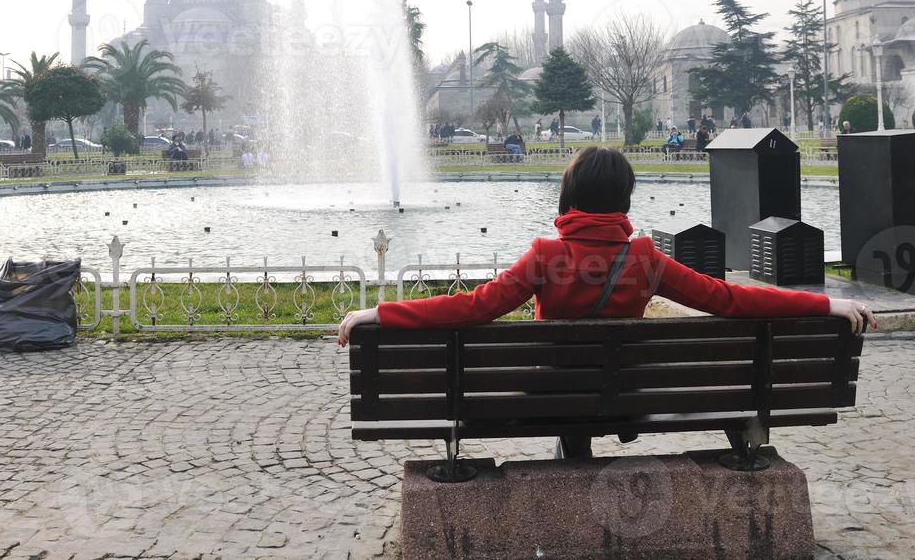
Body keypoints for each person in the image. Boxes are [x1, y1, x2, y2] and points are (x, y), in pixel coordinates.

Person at [336, 146, 875, 457]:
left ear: (569, 195)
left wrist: (378, 313)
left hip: (549, 397)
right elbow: (730, 301)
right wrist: (822, 305)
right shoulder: (645, 258)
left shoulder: (545, 255)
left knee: (563, 381)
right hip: (630, 397)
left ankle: (575, 463)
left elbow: (472, 308)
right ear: (625, 198)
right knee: (601, 378)